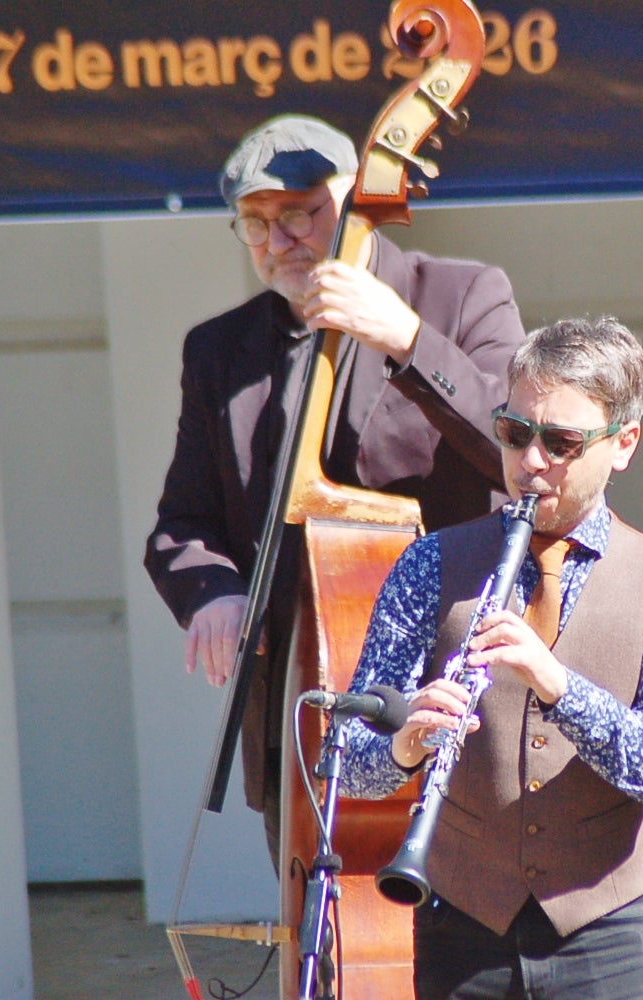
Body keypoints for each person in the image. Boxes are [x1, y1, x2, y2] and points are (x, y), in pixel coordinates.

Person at [144, 114, 526, 860]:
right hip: (302, 699)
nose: (277, 241)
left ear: (354, 200)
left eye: (297, 214)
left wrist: (408, 340)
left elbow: (515, 449)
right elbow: (182, 524)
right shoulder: (219, 350)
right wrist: (213, 592)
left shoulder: (462, 295)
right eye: (253, 225)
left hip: (444, 684)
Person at [340, 316, 643, 999]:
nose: (531, 462)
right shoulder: (432, 564)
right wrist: (404, 745)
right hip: (463, 923)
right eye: (515, 433)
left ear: (623, 443)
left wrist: (559, 685)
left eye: (562, 442)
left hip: (613, 929)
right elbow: (345, 762)